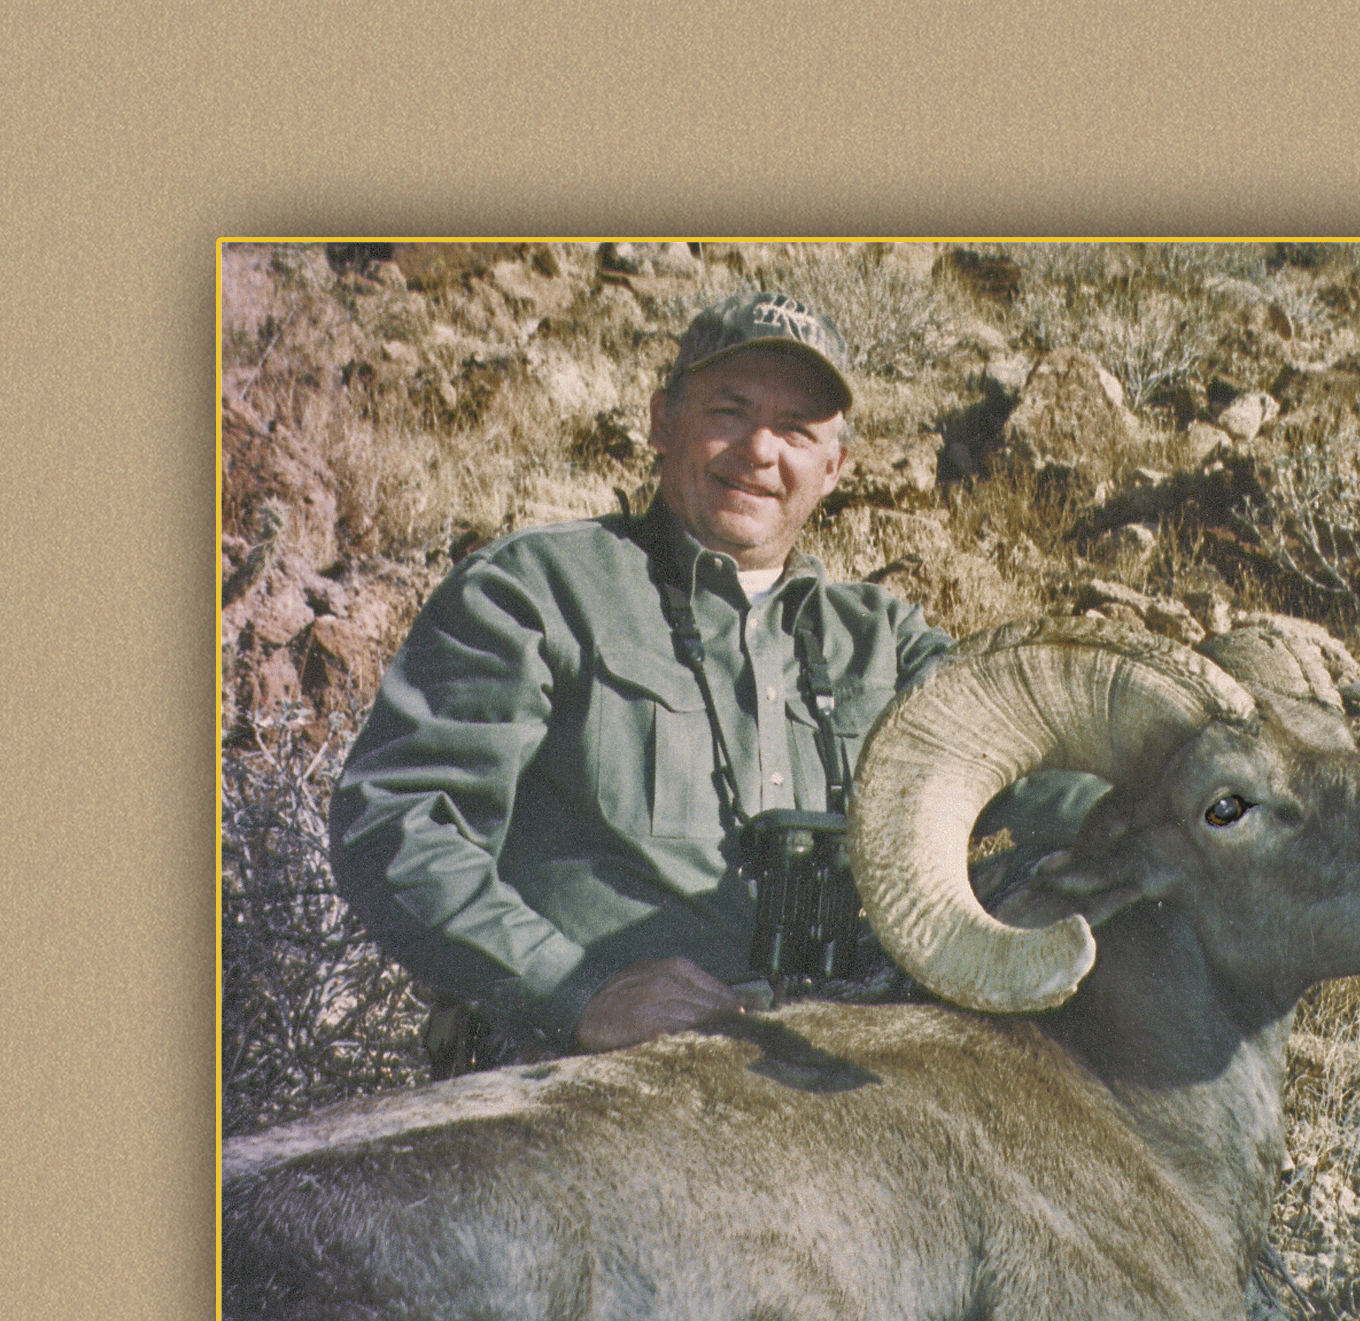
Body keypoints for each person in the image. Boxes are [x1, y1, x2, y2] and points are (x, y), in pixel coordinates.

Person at [330, 290, 1095, 1073]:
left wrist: (1169, 792)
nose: (761, 450)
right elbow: (399, 817)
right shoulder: (534, 590)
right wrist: (574, 990)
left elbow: (1029, 777)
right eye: (730, 411)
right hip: (580, 1074)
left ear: (834, 468)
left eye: (797, 429)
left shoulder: (885, 643)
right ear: (663, 422)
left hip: (825, 1071)